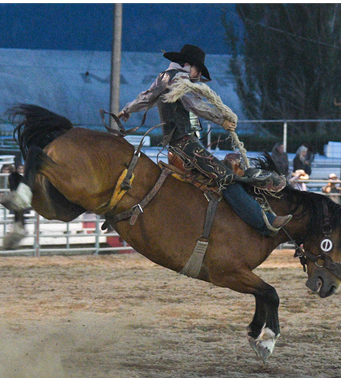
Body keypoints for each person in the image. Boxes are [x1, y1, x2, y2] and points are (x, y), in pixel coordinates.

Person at [118, 44, 292, 235]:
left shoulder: (164, 77)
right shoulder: (180, 79)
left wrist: (127, 110)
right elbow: (196, 105)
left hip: (177, 143)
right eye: (198, 70)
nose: (199, 75)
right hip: (184, 143)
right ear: (188, 65)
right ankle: (263, 222)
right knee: (226, 177)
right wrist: (221, 120)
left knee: (223, 175)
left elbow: (146, 98)